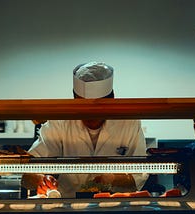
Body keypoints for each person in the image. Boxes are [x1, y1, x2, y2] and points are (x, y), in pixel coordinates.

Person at [22, 62, 149, 198]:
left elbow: (139, 177)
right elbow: (27, 173)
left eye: (97, 109)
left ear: (111, 100)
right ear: (74, 101)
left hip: (114, 206)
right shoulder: (59, 122)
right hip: (66, 206)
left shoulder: (128, 123)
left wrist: (112, 180)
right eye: (83, 107)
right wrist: (41, 179)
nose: (90, 116)